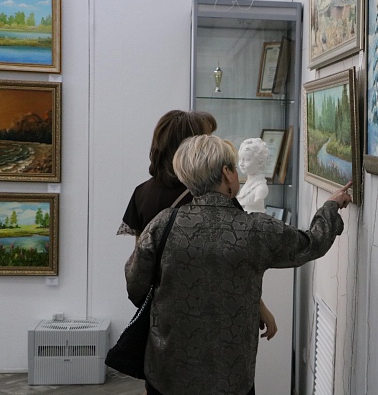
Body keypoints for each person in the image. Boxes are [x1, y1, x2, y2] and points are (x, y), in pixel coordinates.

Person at [125, 134, 352, 395]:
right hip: (230, 373)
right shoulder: (256, 229)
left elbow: (135, 285)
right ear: (226, 172)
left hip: (168, 369)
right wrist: (331, 205)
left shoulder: (163, 224)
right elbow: (312, 243)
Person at [237, 138, 270, 213]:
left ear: (260, 162)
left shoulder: (261, 188)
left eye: (247, 160)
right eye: (240, 159)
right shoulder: (247, 184)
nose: (241, 164)